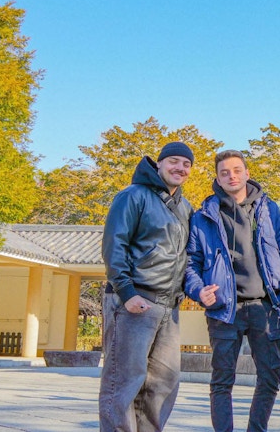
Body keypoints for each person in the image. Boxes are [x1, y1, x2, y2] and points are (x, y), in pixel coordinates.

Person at [184, 150, 280, 432]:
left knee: (269, 378)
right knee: (222, 380)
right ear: (218, 179)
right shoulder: (204, 215)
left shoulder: (268, 210)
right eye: (224, 172)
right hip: (224, 309)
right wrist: (198, 291)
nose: (231, 176)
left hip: (264, 306)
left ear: (246, 173)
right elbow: (190, 262)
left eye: (236, 170)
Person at [99, 141, 195, 432]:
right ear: (159, 164)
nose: (180, 168)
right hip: (135, 302)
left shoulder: (184, 207)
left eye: (186, 164)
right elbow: (114, 245)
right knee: (124, 382)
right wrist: (127, 292)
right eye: (174, 161)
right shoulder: (133, 196)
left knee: (163, 384)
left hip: (169, 307)